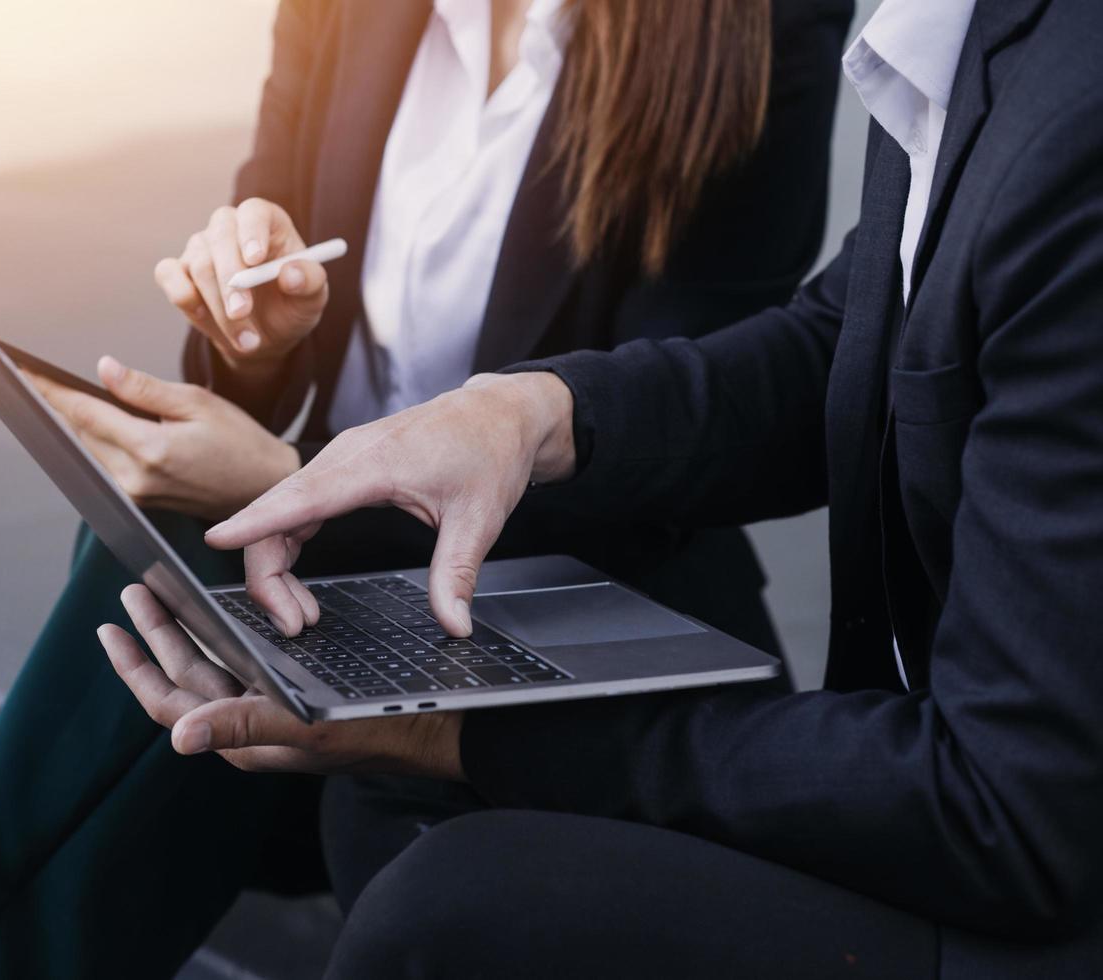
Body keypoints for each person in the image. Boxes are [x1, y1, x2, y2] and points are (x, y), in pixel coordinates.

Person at [0, 0, 853, 976]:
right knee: (117, 660)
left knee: (140, 632)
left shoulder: (751, 21)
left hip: (570, 600)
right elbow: (250, 329)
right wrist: (253, 330)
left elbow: (681, 437)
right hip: (337, 593)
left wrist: (299, 482)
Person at [103, 0, 1103, 974]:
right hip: (935, 769)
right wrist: (534, 414)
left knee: (448, 900)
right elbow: (850, 335)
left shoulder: (1062, 110)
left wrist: (459, 732)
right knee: (178, 574)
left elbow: (1009, 806)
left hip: (1009, 856)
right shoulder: (955, 29)